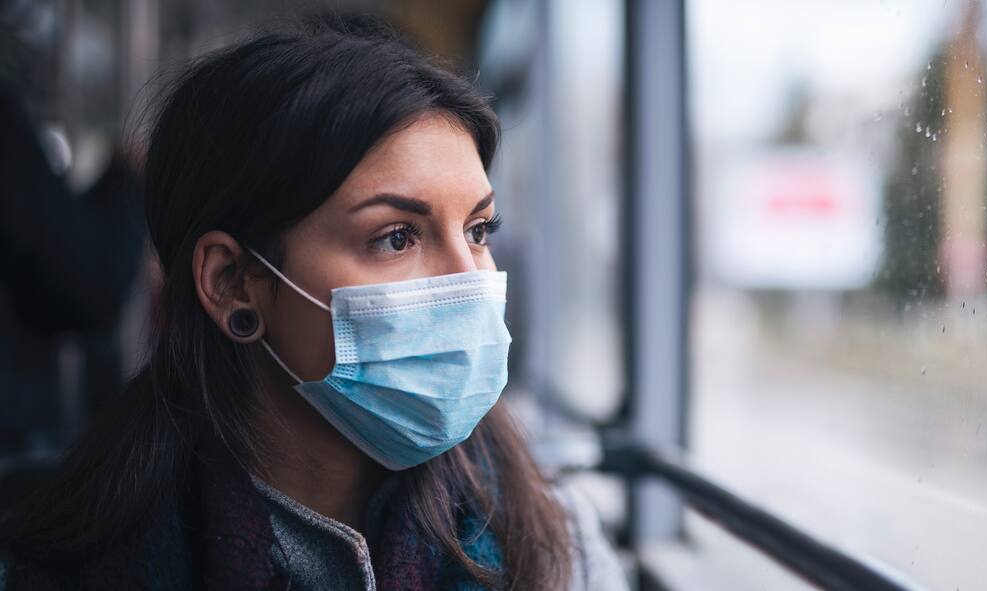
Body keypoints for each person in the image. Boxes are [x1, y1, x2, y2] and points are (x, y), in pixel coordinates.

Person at [0, 16, 628, 591]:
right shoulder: (63, 568)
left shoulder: (553, 544)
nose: (468, 283)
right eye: (397, 237)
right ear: (232, 281)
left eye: (478, 230)